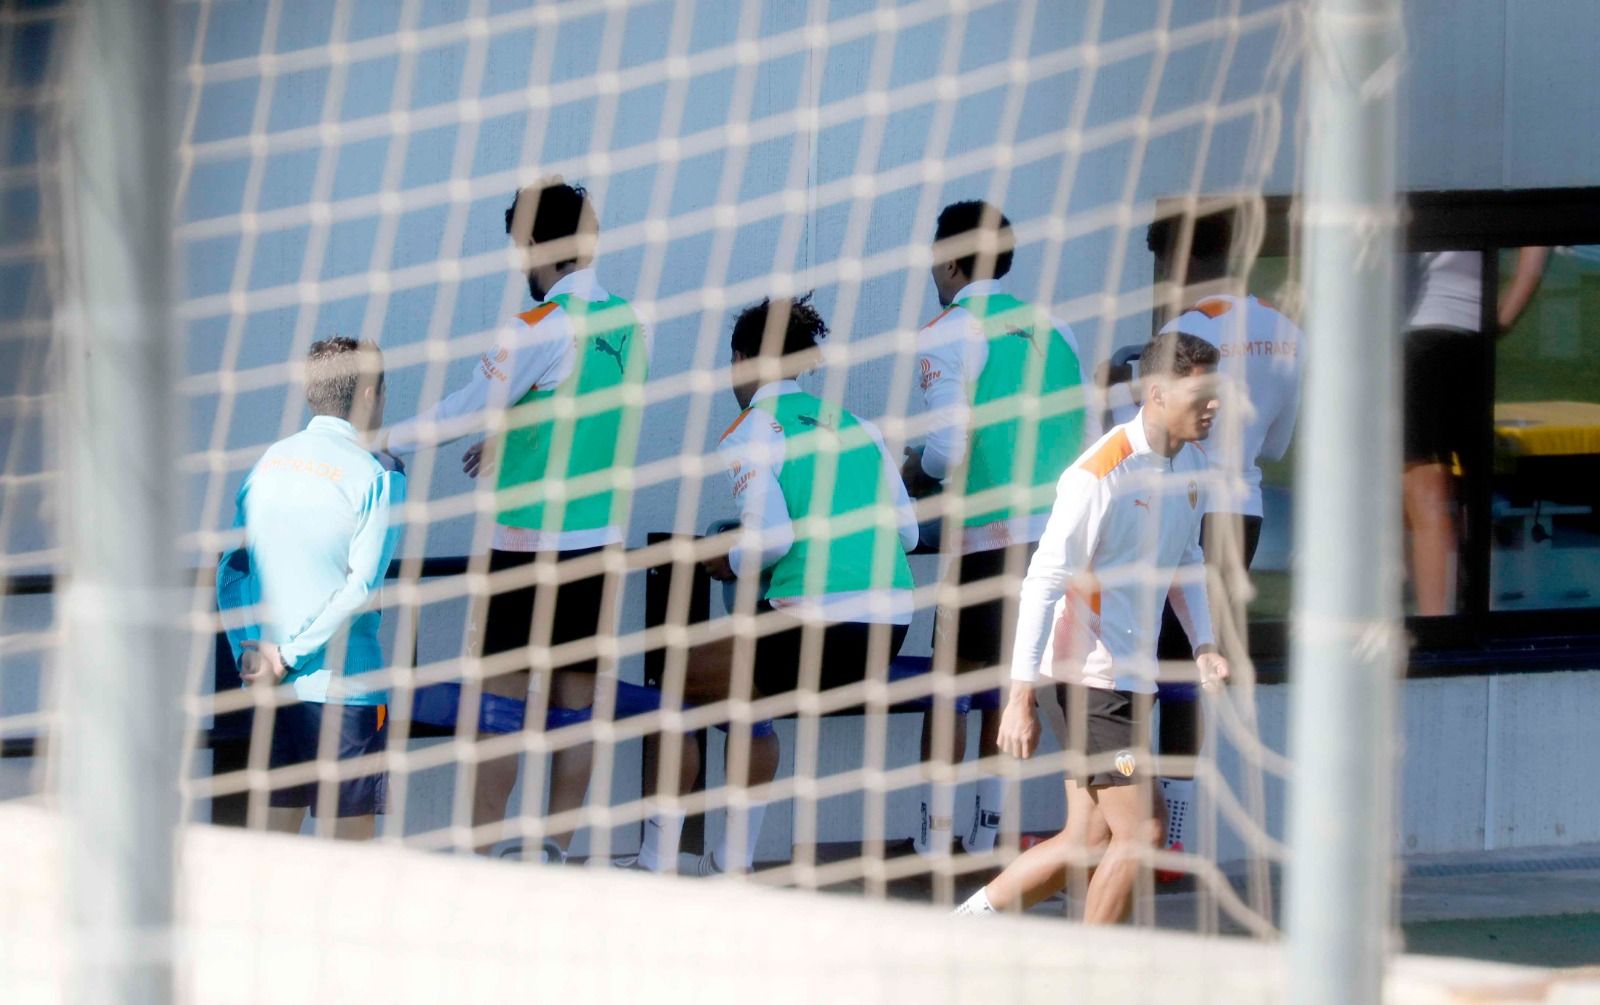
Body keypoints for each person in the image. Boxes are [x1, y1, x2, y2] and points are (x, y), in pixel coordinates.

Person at [381, 178, 651, 862]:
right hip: (599, 543)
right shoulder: (628, 323)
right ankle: (557, 851)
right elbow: (573, 409)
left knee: (498, 700)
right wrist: (513, 436)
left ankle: (484, 854)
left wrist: (388, 442)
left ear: (539, 245)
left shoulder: (537, 325)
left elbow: (466, 407)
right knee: (577, 705)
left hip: (527, 542)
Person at [626, 294, 919, 874]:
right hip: (890, 627)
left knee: (674, 677)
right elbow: (907, 534)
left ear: (741, 360)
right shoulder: (860, 427)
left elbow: (773, 539)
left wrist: (728, 559)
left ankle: (655, 863)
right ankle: (729, 865)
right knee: (746, 702)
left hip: (815, 621)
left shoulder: (751, 428)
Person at [956, 332, 1229, 922]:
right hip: (1089, 683)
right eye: (1200, 393)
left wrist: (1205, 642)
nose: (1214, 405)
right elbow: (1042, 582)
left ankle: (969, 926)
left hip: (1130, 683)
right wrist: (1019, 696)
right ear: (1156, 393)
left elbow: (1187, 560)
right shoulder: (1100, 472)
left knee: (1089, 839)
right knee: (1143, 831)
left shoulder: (1194, 465)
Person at [1113, 212, 1303, 867]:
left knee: (1141, 663)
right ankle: (1176, 836)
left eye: (1165, 268)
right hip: (1242, 510)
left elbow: (1136, 437)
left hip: (1175, 506)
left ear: (1184, 263)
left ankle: (1133, 824)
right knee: (1199, 664)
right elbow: (1278, 442)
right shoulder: (1285, 333)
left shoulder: (1182, 331)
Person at [899, 200, 1086, 860]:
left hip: (991, 538)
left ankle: (932, 838)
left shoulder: (950, 328)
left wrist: (913, 472)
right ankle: (986, 834)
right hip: (1065, 538)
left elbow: (948, 450)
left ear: (950, 259)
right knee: (1019, 685)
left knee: (951, 686)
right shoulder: (1057, 328)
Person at [217, 337, 405, 841]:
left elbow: (231, 571)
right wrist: (291, 654)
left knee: (274, 852)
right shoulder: (378, 475)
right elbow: (361, 588)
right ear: (370, 394)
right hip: (346, 691)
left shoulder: (266, 466)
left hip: (275, 690)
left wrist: (253, 654)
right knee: (351, 861)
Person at [1402, 248, 1548, 615]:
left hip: (1417, 335)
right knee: (1473, 493)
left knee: (1426, 497)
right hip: (1472, 334)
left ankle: (1438, 625)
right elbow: (1535, 251)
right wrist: (1501, 319)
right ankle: (1477, 611)